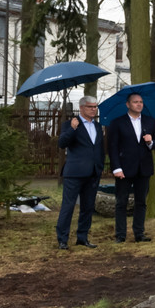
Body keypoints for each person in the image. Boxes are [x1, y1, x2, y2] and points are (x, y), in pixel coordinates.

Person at [107, 93, 155, 243]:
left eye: (141, 102)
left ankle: (139, 233)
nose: (139, 104)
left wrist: (151, 142)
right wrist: (116, 168)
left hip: (143, 168)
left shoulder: (150, 121)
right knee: (121, 202)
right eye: (135, 102)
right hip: (124, 169)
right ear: (128, 104)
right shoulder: (117, 123)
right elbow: (112, 147)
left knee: (141, 202)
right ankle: (120, 235)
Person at [55, 96, 105, 250]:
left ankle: (82, 238)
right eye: (90, 106)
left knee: (88, 207)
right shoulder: (69, 124)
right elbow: (62, 143)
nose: (93, 109)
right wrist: (73, 128)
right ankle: (62, 239)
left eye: (95, 106)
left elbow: (98, 148)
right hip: (74, 173)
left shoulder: (97, 126)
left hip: (93, 173)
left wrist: (100, 166)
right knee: (68, 206)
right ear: (81, 107)